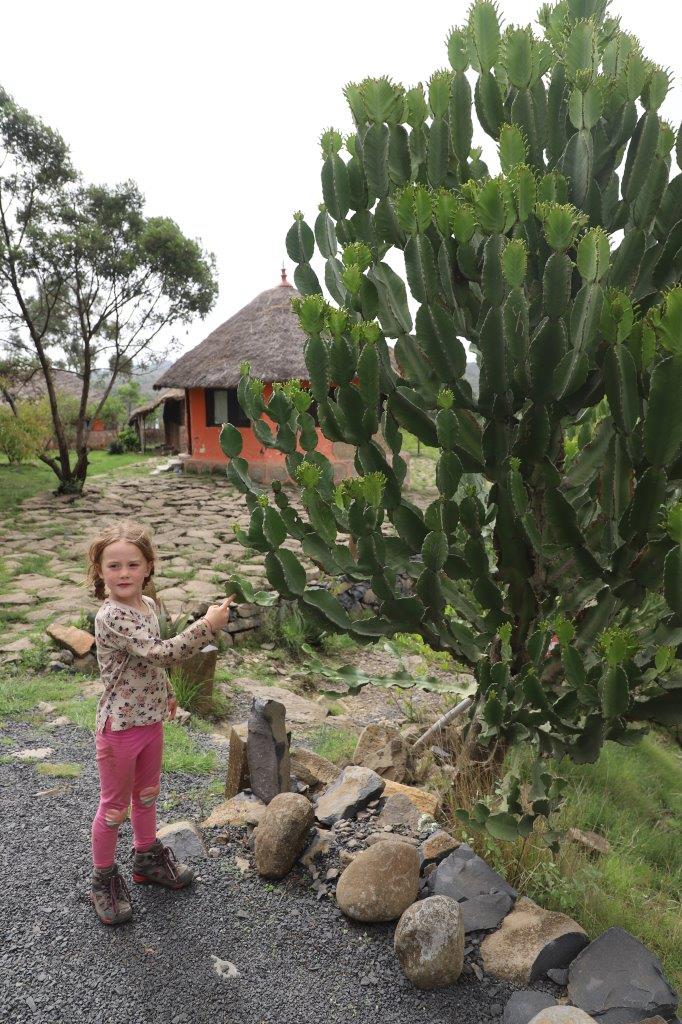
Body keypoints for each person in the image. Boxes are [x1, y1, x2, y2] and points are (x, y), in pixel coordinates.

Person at [85, 519, 233, 926]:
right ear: (99, 571)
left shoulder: (147, 606)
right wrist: (207, 626)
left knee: (148, 794)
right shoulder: (111, 616)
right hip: (119, 729)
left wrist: (166, 691)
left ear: (148, 567)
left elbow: (148, 666)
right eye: (114, 566)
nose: (124, 573)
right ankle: (102, 880)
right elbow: (159, 653)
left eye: (133, 564)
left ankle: (146, 858)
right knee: (114, 808)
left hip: (149, 722)